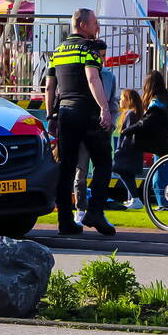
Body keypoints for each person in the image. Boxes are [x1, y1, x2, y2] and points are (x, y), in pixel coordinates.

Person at [46, 9, 115, 236]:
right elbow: (92, 78)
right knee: (104, 162)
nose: (97, 28)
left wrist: (50, 116)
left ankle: (65, 220)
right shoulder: (89, 49)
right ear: (83, 25)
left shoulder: (57, 51)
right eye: (95, 23)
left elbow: (49, 87)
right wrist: (105, 108)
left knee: (66, 168)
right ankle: (95, 210)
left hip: (65, 113)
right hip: (87, 112)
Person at [72, 40, 119, 223]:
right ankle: (80, 209)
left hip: (102, 129)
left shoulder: (108, 76)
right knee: (80, 171)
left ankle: (96, 209)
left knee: (102, 170)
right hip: (85, 127)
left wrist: (112, 123)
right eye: (99, 56)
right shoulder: (84, 74)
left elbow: (114, 102)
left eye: (103, 56)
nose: (101, 59)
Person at [120, 70, 168, 209]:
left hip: (160, 144)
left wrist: (128, 130)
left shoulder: (156, 103)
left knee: (159, 177)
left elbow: (146, 121)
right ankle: (167, 202)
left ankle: (163, 204)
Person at [111, 89, 144, 210]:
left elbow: (129, 132)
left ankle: (135, 198)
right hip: (131, 149)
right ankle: (132, 199)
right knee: (129, 174)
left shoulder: (130, 114)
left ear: (127, 100)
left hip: (127, 149)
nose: (119, 100)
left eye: (121, 98)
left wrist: (121, 148)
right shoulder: (131, 113)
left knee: (120, 170)